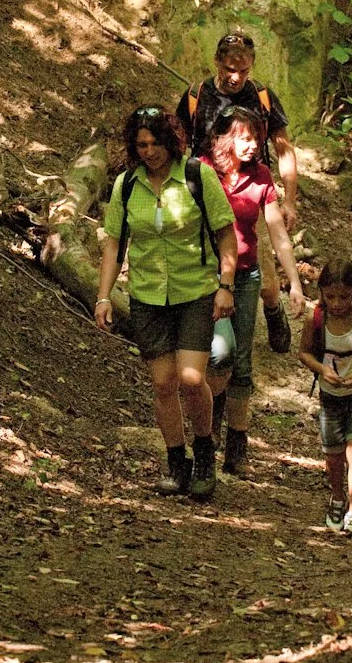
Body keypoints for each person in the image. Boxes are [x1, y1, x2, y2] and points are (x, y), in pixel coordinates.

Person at [94, 106, 240, 500]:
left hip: (195, 292)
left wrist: (226, 285)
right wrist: (104, 296)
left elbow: (227, 235)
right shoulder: (126, 184)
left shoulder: (197, 175)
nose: (150, 151)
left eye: (156, 142)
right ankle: (177, 462)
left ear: (171, 141)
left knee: (192, 379)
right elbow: (113, 244)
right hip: (147, 295)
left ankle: (205, 450)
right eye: (142, 144)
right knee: (162, 384)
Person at [205, 109, 305, 479]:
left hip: (246, 278)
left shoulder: (260, 176)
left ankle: (236, 447)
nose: (253, 146)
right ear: (225, 138)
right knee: (218, 355)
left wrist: (292, 281)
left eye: (256, 138)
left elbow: (277, 233)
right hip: (204, 277)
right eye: (245, 138)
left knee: (241, 364)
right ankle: (208, 428)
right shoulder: (200, 171)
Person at [296, 260, 352, 534]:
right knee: (334, 455)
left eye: (344, 297)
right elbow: (304, 353)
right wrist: (323, 369)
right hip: (330, 395)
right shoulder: (315, 319)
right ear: (322, 293)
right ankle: (337, 497)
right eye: (331, 296)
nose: (337, 303)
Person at [176, 31, 300, 229]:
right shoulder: (195, 96)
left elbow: (284, 150)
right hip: (204, 195)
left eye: (244, 71)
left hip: (253, 198)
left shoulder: (262, 96)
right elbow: (177, 148)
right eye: (230, 69)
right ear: (216, 60)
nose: (236, 78)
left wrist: (289, 202)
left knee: (258, 257)